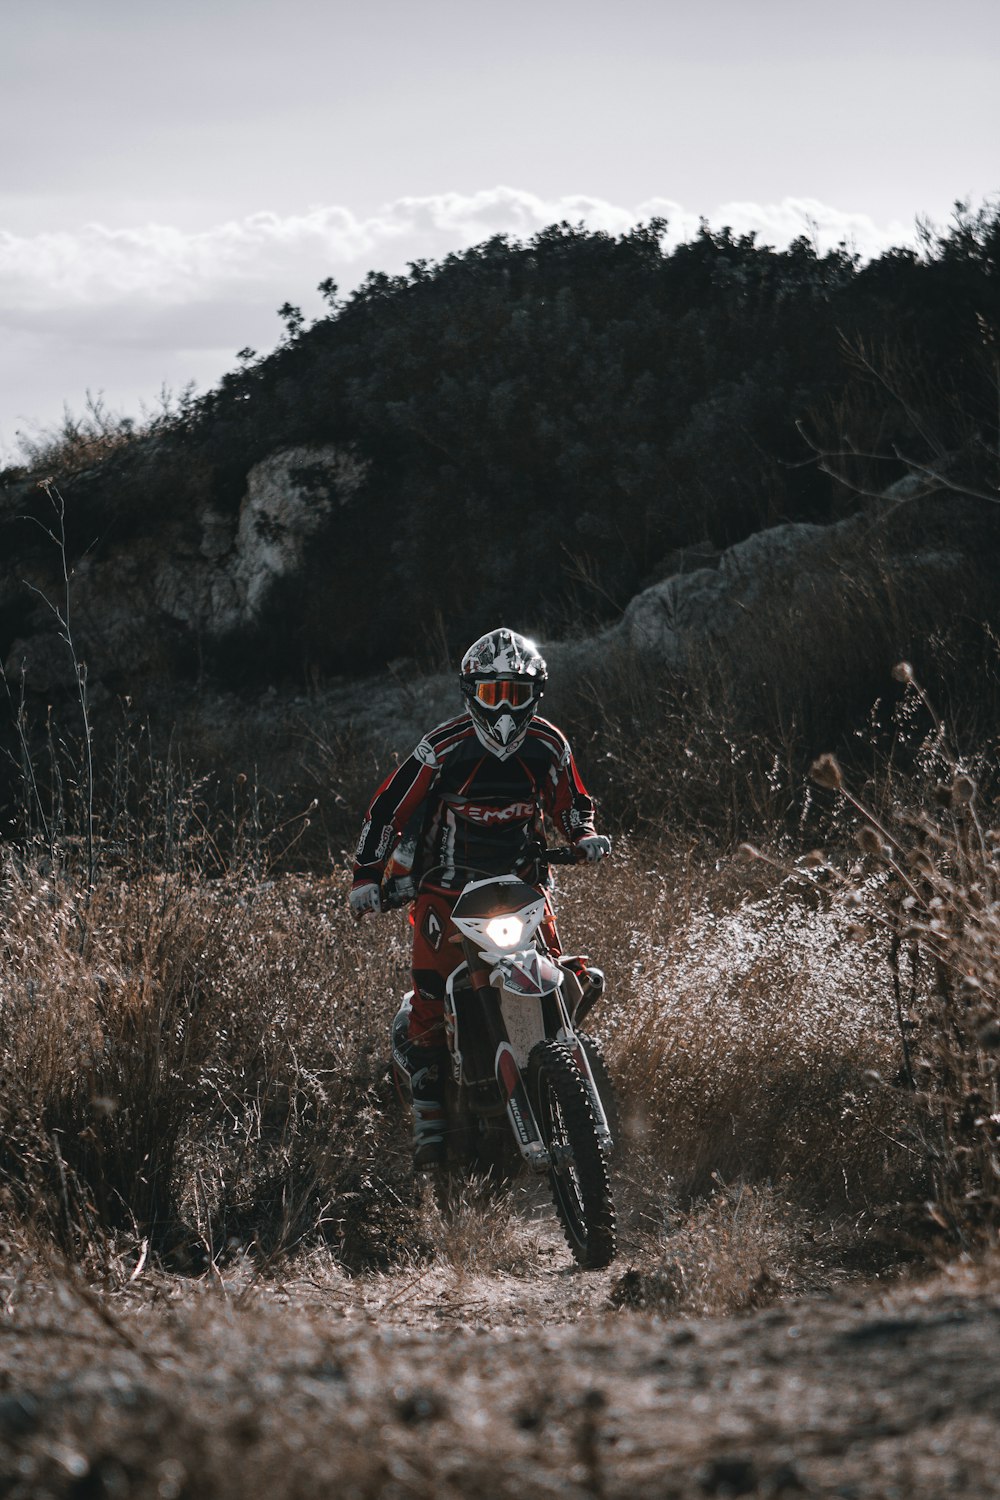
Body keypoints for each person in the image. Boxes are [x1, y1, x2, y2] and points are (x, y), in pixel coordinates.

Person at [349, 627, 612, 1168]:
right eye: (494, 694)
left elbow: (572, 802)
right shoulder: (443, 747)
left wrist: (582, 837)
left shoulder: (548, 744)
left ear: (535, 693)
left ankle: (561, 1073)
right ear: (471, 693)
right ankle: (431, 1119)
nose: (506, 707)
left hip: (521, 884)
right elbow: (387, 810)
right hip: (445, 888)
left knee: (565, 972)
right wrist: (366, 877)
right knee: (427, 996)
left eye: (516, 693)